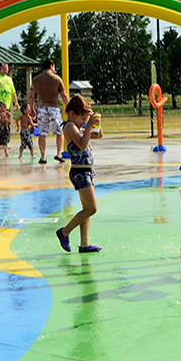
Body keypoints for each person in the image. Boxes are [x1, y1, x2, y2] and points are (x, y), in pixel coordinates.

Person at [56, 95, 103, 254]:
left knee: (86, 208)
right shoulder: (70, 126)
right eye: (82, 119)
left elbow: (98, 135)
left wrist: (95, 122)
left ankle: (84, 243)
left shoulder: (78, 127)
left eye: (85, 119)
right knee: (92, 208)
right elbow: (82, 144)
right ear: (71, 114)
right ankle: (65, 231)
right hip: (80, 173)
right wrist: (88, 126)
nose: (83, 122)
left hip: (86, 171)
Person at [29, 59, 70, 164]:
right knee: (59, 132)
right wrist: (69, 107)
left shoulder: (36, 79)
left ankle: (43, 157)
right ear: (51, 66)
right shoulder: (57, 79)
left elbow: (31, 96)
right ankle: (59, 154)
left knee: (42, 133)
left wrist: (32, 108)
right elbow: (64, 95)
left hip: (41, 108)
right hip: (54, 108)